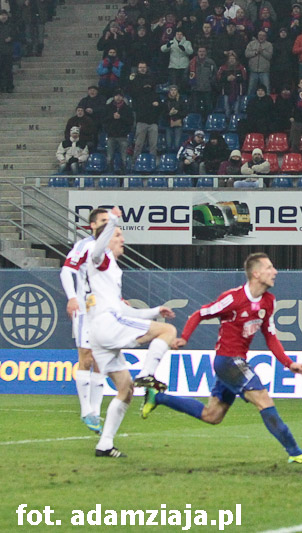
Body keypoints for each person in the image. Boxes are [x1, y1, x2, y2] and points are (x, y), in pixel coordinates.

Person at [140, 253, 302, 465]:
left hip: (233, 364)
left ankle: (158, 397)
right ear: (256, 274)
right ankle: (295, 452)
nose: (275, 272)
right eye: (269, 268)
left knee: (212, 416)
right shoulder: (233, 299)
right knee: (263, 400)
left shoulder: (268, 302)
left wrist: (289, 363)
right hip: (228, 361)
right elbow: (200, 314)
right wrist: (184, 337)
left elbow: (270, 336)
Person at [87, 207, 177, 457]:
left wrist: (155, 311)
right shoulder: (101, 258)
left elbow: (124, 311)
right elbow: (97, 249)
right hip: (108, 325)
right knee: (168, 331)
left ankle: (105, 445)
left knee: (125, 390)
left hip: (100, 333)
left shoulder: (111, 273)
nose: (122, 239)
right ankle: (147, 374)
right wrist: (113, 221)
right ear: (106, 237)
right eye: (118, 235)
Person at [60, 209, 111, 434]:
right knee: (86, 357)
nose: (107, 225)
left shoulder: (109, 250)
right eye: (103, 221)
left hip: (104, 312)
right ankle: (85, 410)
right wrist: (72, 297)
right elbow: (66, 271)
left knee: (101, 360)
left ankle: (95, 412)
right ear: (92, 225)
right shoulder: (84, 246)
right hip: (85, 310)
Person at [103, 89, 135, 174]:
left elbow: (130, 122)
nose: (118, 97)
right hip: (111, 136)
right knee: (109, 158)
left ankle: (124, 175)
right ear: (113, 97)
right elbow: (104, 120)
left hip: (123, 136)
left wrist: (121, 117)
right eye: (116, 95)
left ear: (123, 97)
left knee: (124, 158)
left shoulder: (127, 109)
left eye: (120, 96)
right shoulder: (108, 108)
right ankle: (110, 176)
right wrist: (112, 117)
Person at [245, 29, 273, 95]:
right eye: (260, 35)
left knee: (266, 90)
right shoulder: (251, 44)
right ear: (257, 36)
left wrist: (262, 52)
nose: (261, 37)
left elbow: (270, 56)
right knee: (251, 90)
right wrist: (255, 52)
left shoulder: (269, 45)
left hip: (264, 71)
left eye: (263, 35)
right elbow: (247, 54)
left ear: (266, 37)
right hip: (253, 71)